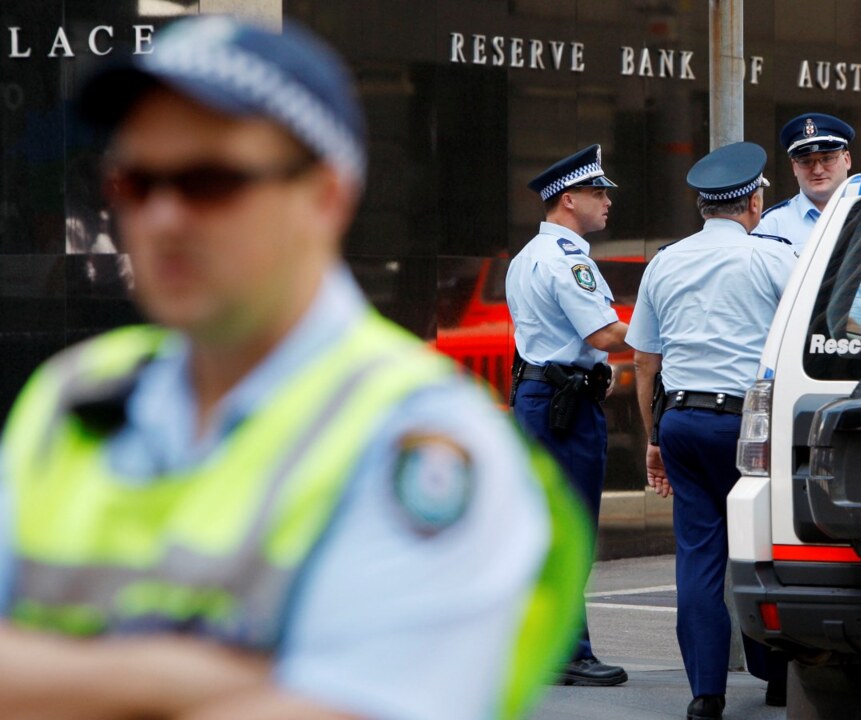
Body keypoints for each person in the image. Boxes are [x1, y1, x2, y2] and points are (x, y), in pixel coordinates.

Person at [0, 15, 589, 720]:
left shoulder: (422, 441)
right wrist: (184, 679)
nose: (162, 217)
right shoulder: (72, 395)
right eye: (135, 181)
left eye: (211, 181)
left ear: (326, 196)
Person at [628, 142, 794, 720]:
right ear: (753, 201)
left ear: (703, 207)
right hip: (748, 427)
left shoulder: (665, 261)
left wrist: (653, 438)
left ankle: (705, 695)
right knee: (763, 548)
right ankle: (775, 675)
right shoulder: (774, 259)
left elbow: (644, 363)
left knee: (698, 556)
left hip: (681, 421)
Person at [506, 145, 630, 687]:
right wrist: (673, 331)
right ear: (569, 199)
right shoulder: (566, 259)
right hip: (565, 406)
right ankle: (568, 651)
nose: (606, 203)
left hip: (542, 401)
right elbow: (603, 334)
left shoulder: (529, 254)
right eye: (598, 193)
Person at [754, 112, 856, 250]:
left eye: (827, 159)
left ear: (847, 159)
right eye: (806, 161)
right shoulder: (770, 227)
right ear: (794, 167)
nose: (818, 170)